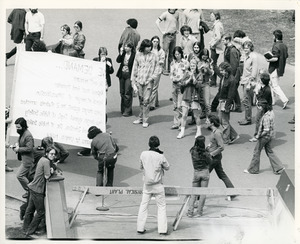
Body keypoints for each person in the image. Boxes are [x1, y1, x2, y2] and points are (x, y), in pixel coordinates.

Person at [137, 136, 170, 235]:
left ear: (149, 144)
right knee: (161, 207)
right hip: (158, 185)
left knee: (143, 206)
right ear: (158, 144)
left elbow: (140, 166)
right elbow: (167, 167)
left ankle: (140, 227)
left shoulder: (143, 154)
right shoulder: (160, 156)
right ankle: (162, 230)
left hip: (147, 185)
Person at [23, 146, 56, 236]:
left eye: (54, 154)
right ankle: (30, 231)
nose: (53, 155)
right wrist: (52, 171)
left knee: (30, 209)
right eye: (51, 154)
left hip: (32, 187)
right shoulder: (46, 161)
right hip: (38, 190)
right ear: (47, 153)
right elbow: (47, 176)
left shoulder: (42, 159)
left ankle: (25, 228)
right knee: (41, 212)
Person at [244, 102, 285, 175]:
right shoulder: (270, 114)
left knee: (256, 151)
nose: (258, 108)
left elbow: (266, 129)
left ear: (262, 108)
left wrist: (258, 136)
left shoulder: (265, 117)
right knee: (269, 151)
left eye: (259, 107)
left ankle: (253, 169)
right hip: (269, 137)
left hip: (264, 137)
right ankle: (279, 167)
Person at [206, 115, 236, 200]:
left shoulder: (217, 133)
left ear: (212, 123)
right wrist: (208, 147)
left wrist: (211, 154)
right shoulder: (214, 131)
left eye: (207, 121)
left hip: (214, 158)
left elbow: (221, 147)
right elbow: (213, 142)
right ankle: (232, 191)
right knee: (221, 175)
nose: (206, 122)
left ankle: (197, 195)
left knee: (204, 175)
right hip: (215, 157)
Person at [131, 39, 159, 128]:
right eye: (147, 46)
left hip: (149, 81)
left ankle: (145, 119)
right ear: (143, 47)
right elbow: (134, 68)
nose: (149, 48)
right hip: (139, 80)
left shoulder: (154, 56)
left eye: (150, 46)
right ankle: (140, 118)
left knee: (146, 101)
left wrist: (152, 77)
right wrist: (133, 80)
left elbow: (158, 68)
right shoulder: (138, 55)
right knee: (141, 100)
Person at [177, 59, 203, 139]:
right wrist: (189, 78)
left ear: (196, 66)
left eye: (194, 65)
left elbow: (199, 85)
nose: (192, 67)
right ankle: (182, 131)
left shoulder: (199, 74)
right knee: (184, 115)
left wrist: (193, 77)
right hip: (186, 95)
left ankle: (199, 131)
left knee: (196, 115)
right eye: (191, 65)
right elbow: (182, 83)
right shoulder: (186, 73)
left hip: (195, 96)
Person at [187, 135, 210, 218]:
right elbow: (209, 161)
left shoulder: (193, 151)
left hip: (196, 172)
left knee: (193, 193)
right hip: (205, 172)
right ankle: (199, 212)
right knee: (203, 193)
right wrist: (208, 151)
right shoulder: (205, 153)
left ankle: (190, 211)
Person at [266, 29, 289, 109]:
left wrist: (268, 59)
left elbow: (275, 58)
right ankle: (272, 100)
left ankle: (284, 99)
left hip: (274, 68)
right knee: (272, 84)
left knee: (275, 86)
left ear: (275, 37)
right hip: (281, 68)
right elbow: (286, 56)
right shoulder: (284, 45)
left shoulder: (276, 45)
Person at [12, 117, 34, 198]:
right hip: (24, 158)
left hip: (27, 160)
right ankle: (30, 192)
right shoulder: (22, 133)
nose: (17, 129)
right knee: (27, 176)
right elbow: (20, 141)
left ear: (23, 126)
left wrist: (18, 149)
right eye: (16, 127)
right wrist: (17, 144)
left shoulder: (28, 135)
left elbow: (29, 148)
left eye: (18, 127)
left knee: (20, 175)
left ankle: (31, 191)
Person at [217, 62, 239, 144]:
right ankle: (234, 135)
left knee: (224, 122)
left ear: (226, 70)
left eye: (222, 70)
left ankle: (226, 139)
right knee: (221, 120)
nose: (221, 72)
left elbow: (231, 95)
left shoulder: (231, 80)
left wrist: (227, 106)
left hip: (226, 102)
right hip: (221, 101)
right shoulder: (223, 77)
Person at [238, 41, 258, 125]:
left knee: (246, 100)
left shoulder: (253, 57)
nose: (245, 49)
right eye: (244, 48)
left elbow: (254, 72)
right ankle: (247, 117)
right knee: (246, 100)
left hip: (249, 81)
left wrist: (250, 83)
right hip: (244, 80)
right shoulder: (244, 56)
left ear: (250, 48)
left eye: (247, 48)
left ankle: (248, 119)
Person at [169, 46, 189, 130]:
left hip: (181, 84)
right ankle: (176, 123)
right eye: (175, 54)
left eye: (178, 54)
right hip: (174, 84)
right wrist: (174, 79)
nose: (177, 55)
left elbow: (187, 73)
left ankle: (182, 123)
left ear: (181, 54)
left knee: (180, 105)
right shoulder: (172, 63)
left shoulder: (185, 62)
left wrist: (181, 80)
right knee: (174, 104)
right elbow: (171, 74)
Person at [249, 72, 272, 142]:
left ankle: (257, 136)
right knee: (261, 122)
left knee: (258, 122)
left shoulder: (267, 90)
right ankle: (262, 135)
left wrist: (256, 93)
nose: (259, 80)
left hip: (262, 107)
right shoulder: (265, 87)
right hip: (263, 107)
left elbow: (262, 100)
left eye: (260, 79)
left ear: (262, 81)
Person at [156, 9, 180, 75]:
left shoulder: (177, 13)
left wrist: (177, 29)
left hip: (174, 35)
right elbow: (157, 22)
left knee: (172, 53)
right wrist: (162, 31)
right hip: (167, 36)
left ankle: (170, 69)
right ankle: (163, 69)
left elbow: (177, 21)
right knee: (164, 53)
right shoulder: (165, 14)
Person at [222, 33, 242, 112]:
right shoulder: (227, 48)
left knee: (232, 90)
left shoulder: (232, 50)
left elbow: (234, 65)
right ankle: (237, 105)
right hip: (228, 73)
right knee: (233, 90)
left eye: (224, 40)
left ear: (228, 40)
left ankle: (235, 106)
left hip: (232, 74)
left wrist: (231, 76)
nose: (222, 41)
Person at [116, 41, 136, 116]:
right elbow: (118, 60)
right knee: (122, 92)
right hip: (122, 74)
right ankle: (123, 109)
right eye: (125, 46)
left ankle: (128, 110)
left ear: (131, 48)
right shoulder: (123, 53)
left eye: (127, 47)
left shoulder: (134, 55)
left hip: (129, 75)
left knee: (127, 92)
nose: (125, 48)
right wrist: (120, 53)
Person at [149, 36, 165, 110]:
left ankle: (152, 104)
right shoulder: (149, 49)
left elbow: (162, 60)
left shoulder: (160, 51)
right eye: (154, 41)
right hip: (149, 70)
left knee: (154, 87)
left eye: (157, 42)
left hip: (157, 70)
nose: (155, 43)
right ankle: (156, 101)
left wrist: (160, 62)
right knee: (151, 86)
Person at [209, 11, 224, 87]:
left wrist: (212, 44)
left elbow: (218, 37)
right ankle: (213, 81)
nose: (210, 17)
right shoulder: (217, 24)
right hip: (217, 47)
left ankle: (222, 76)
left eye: (212, 16)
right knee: (213, 63)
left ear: (216, 16)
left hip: (215, 47)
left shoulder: (217, 25)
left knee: (213, 64)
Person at [197, 48, 214, 119]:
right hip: (198, 83)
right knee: (200, 100)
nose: (204, 57)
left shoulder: (209, 62)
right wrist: (200, 68)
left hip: (206, 83)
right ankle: (203, 112)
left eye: (206, 55)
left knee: (207, 103)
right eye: (203, 55)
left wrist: (208, 68)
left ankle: (209, 119)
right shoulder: (198, 61)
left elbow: (212, 73)